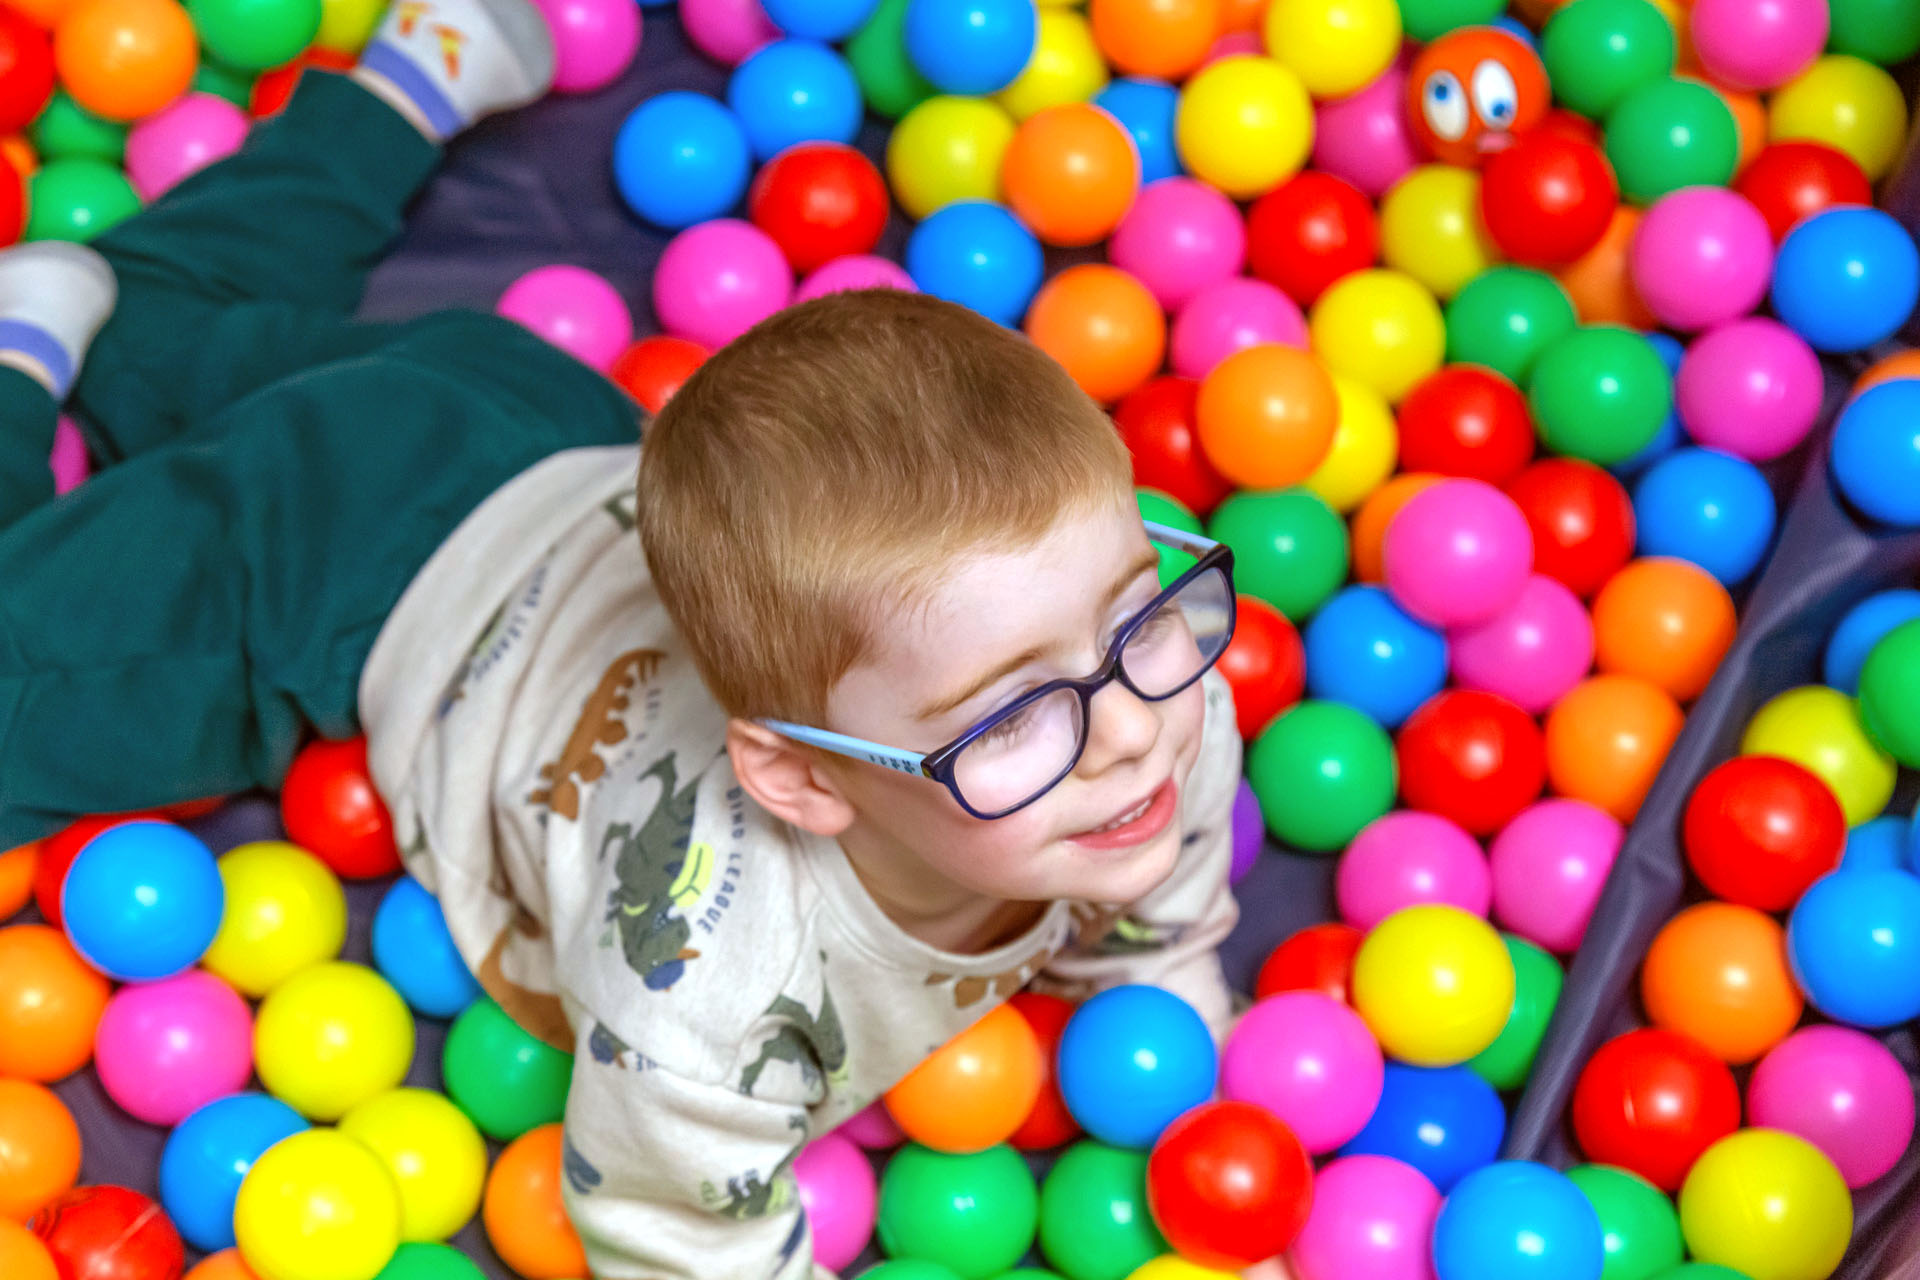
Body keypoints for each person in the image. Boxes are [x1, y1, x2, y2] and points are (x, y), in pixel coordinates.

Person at [0, 2, 1245, 1274]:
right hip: (347, 550)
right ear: (802, 777)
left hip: (530, 413)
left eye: (1135, 608)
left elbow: (1171, 834)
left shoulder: (1147, 697)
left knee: (167, 334)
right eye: (1013, 712)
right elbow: (677, 1236)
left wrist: (1165, 985)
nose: (1137, 729)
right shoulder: (705, 998)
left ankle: (393, 90)